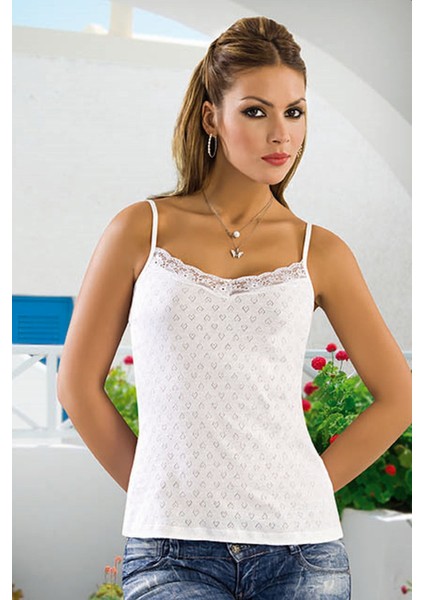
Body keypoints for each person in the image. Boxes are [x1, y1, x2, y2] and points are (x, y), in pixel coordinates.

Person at [57, 15, 412, 600]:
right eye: (255, 111)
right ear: (210, 118)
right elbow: (76, 386)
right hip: (171, 554)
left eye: (294, 112)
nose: (280, 134)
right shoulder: (140, 230)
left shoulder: (320, 250)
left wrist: (307, 490)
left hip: (303, 554)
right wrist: (157, 497)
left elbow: (397, 395)